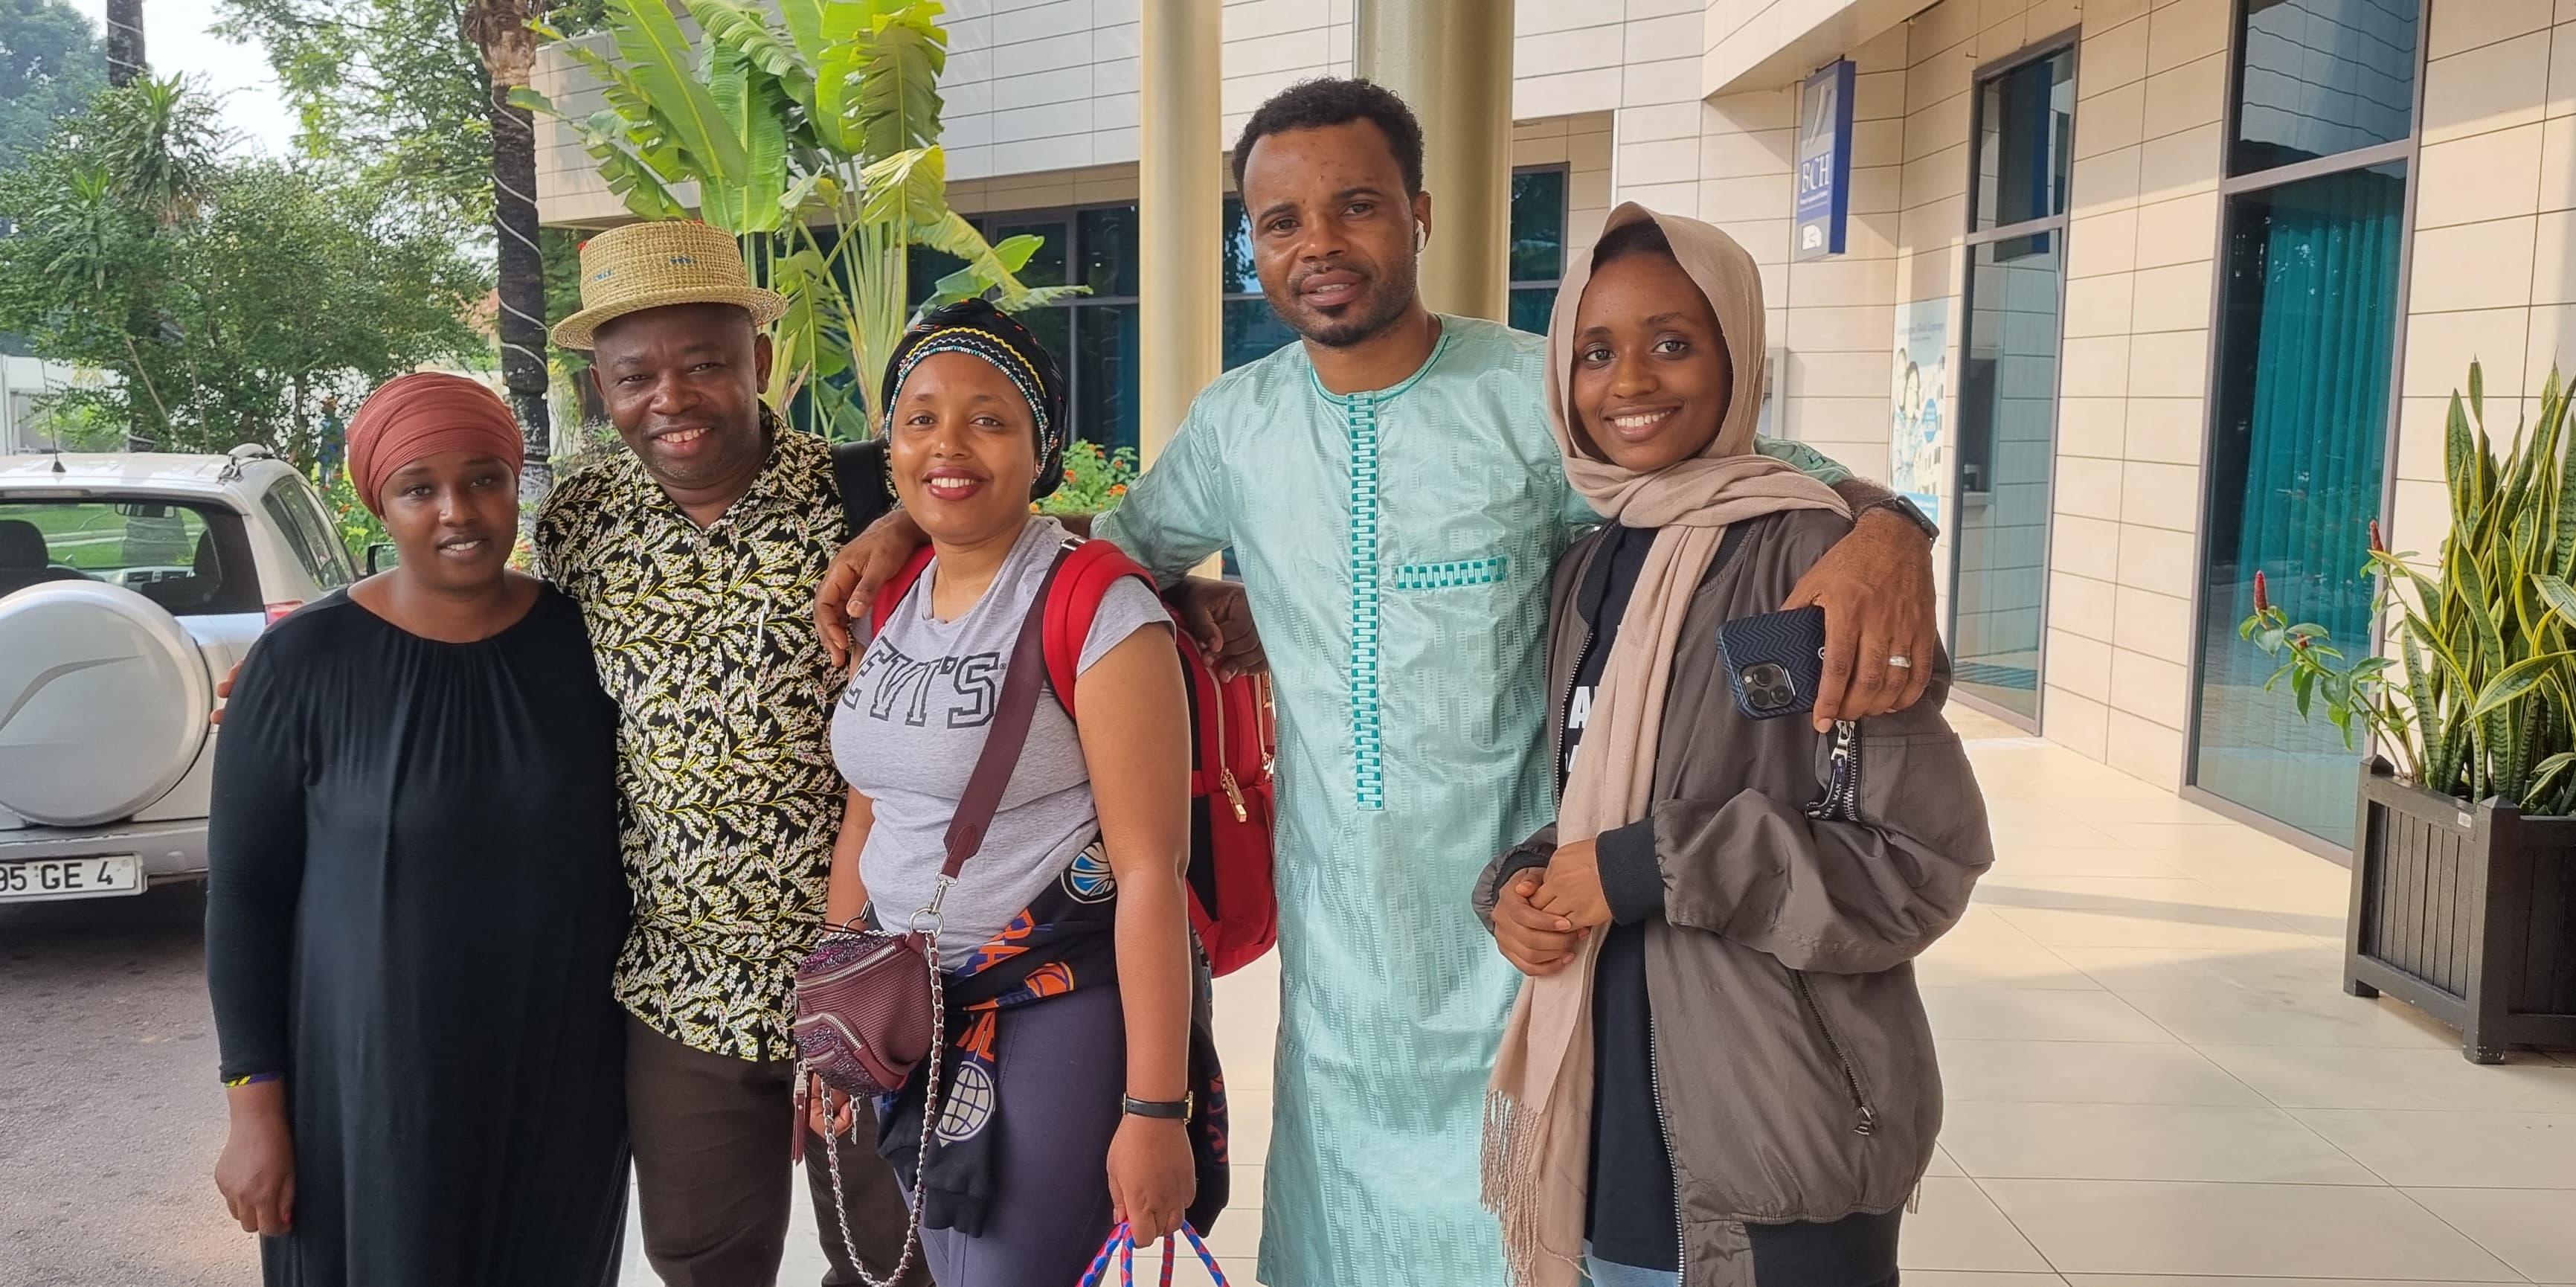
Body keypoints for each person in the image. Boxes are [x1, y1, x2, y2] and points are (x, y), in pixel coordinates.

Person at [818, 78, 1944, 1285]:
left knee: (1525, 1234)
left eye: (1354, 207)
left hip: (1523, 936)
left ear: (1417, 212)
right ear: (1253, 243)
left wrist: (1887, 525)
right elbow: (1104, 552)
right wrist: (908, 530)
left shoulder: (1529, 392)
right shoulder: (1240, 426)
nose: (1320, 244)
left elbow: (1735, 470)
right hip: (1343, 960)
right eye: (1284, 221)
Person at [1474, 207, 1991, 1287]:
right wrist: (1526, 882)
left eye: (1674, 342)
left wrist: (1640, 867)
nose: (1630, 383)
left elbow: (1912, 860)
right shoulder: (1589, 569)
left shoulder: (1813, 562)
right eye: (1595, 352)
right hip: (1611, 1112)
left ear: (1738, 354)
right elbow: (1614, 793)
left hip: (1774, 1109)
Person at [533, 220, 928, 1287]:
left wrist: (1187, 584)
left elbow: (1034, 548)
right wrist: (326, 651)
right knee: (703, 1258)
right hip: (682, 977)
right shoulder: (579, 518)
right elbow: (498, 646)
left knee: (894, 1261)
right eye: (634, 376)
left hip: (876, 956)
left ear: (757, 361)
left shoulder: (871, 494)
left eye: (703, 363)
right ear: (602, 389)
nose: (669, 398)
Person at [812, 300, 1230, 1286]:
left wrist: (1154, 1109)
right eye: (919, 418)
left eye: (988, 418)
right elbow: (869, 809)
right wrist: (836, 1015)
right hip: (916, 1010)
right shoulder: (896, 591)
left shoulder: (1100, 606)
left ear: (1041, 447)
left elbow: (1150, 874)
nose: (947, 445)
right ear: (890, 443)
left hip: (1057, 1008)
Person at [206, 372, 631, 1287]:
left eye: (485, 478)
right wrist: (254, 1107)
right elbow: (244, 894)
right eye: (419, 488)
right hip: (366, 1100)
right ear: (379, 503)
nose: (458, 511)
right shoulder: (302, 662)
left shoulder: (585, 642)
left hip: (561, 1088)